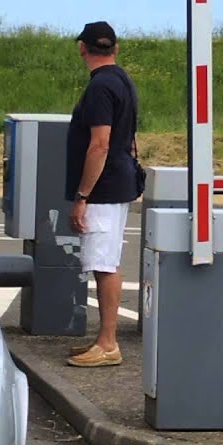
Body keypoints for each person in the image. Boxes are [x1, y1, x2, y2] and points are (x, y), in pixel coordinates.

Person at [65, 21, 140, 368]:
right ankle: (104, 340)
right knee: (105, 260)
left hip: (103, 188)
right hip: (118, 181)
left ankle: (108, 343)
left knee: (103, 264)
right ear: (115, 48)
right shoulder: (122, 80)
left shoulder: (99, 88)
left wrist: (82, 195)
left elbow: (100, 144)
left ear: (82, 48)